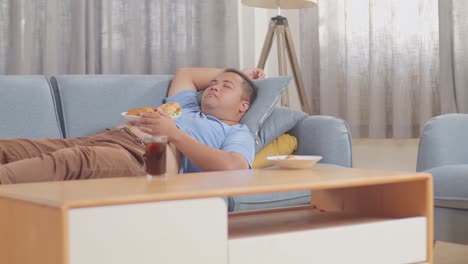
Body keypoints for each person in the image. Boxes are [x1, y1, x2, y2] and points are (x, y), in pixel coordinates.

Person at [0, 67, 265, 184]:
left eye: (225, 86)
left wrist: (173, 134)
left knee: (71, 160)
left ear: (243, 107)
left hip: (142, 156)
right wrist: (239, 72)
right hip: (107, 138)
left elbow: (234, 167)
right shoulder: (188, 106)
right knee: (19, 148)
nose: (214, 87)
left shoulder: (236, 132)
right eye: (214, 83)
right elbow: (186, 74)